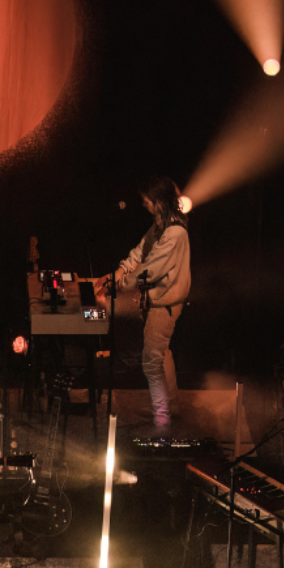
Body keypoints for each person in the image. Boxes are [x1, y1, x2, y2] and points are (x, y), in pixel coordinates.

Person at [102, 177, 190, 430]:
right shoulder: (161, 225)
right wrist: (114, 274)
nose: (144, 205)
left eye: (147, 201)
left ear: (159, 201)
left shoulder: (174, 232)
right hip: (161, 300)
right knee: (162, 354)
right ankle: (171, 406)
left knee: (151, 361)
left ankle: (162, 419)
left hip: (166, 303)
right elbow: (139, 253)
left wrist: (119, 284)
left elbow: (150, 270)